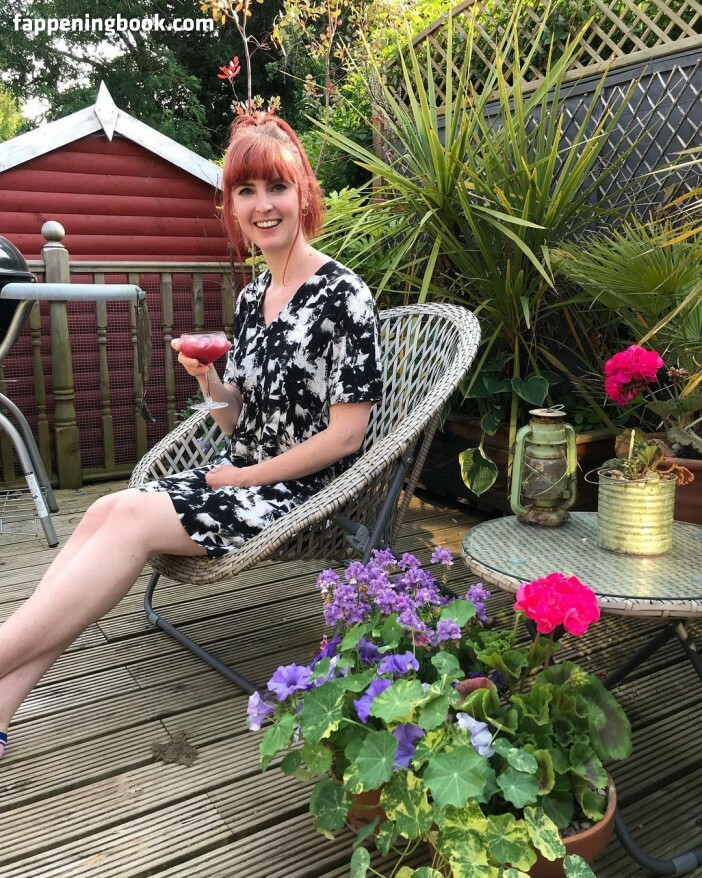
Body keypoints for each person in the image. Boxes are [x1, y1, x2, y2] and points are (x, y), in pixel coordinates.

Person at [0, 114, 383, 760]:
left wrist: (244, 475)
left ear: (304, 194)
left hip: (301, 494)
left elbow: (347, 438)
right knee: (104, 510)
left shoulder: (345, 296)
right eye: (246, 191)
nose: (263, 205)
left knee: (127, 522)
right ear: (232, 206)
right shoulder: (254, 297)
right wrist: (210, 381)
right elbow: (238, 420)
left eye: (277, 187)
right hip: (239, 476)